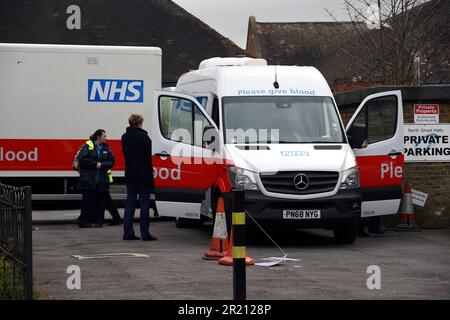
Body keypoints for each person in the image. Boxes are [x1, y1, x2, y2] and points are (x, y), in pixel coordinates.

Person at [121, 114, 157, 241]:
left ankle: (128, 232)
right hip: (143, 174)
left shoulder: (124, 137)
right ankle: (145, 233)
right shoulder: (144, 137)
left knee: (130, 202)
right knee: (144, 203)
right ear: (140, 123)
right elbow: (149, 157)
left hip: (130, 173)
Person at [77, 129, 115, 228]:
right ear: (98, 137)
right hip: (89, 180)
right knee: (88, 202)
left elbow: (111, 162)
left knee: (100, 203)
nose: (106, 138)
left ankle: (99, 222)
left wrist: (101, 165)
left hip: (101, 181)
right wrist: (95, 164)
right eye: (104, 136)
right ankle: (85, 222)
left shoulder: (106, 148)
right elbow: (82, 159)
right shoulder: (88, 146)